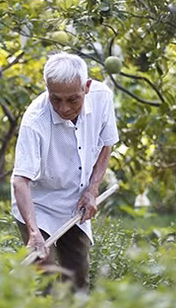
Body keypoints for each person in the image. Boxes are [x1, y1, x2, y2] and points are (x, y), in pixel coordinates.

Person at [11, 52, 119, 292]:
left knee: (77, 278)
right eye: (55, 99)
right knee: (45, 278)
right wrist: (33, 232)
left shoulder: (102, 98)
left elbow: (106, 144)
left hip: (75, 202)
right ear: (47, 89)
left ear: (87, 87)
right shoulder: (34, 121)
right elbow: (20, 181)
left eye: (73, 99)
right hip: (37, 204)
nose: (63, 108)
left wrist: (92, 189)